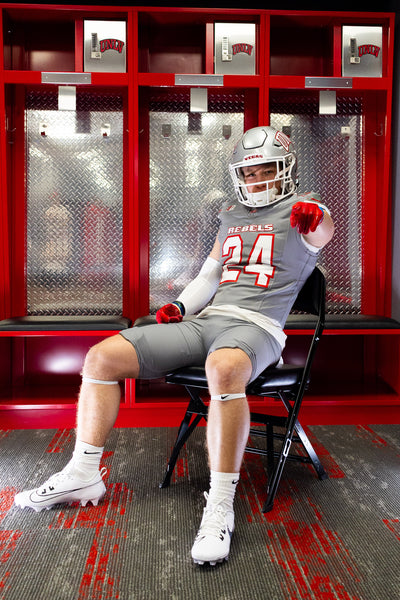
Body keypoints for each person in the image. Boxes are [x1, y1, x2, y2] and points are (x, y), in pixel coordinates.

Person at [14, 126, 334, 566]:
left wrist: (316, 219)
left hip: (257, 327)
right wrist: (181, 305)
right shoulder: (231, 214)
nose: (258, 179)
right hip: (209, 321)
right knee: (102, 357)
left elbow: (322, 232)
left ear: (285, 170)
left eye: (266, 170)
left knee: (223, 368)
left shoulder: (305, 208)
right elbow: (209, 275)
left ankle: (220, 505)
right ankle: (83, 472)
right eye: (250, 172)